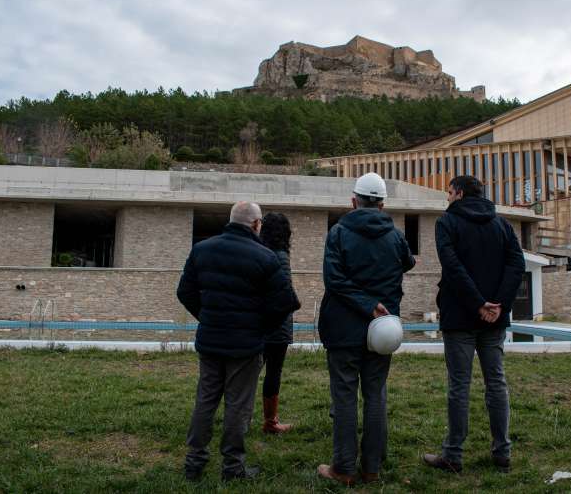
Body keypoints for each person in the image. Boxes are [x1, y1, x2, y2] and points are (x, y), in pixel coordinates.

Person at [177, 201, 300, 482]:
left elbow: (185, 292)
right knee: (237, 406)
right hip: (245, 345)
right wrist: (261, 328)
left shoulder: (202, 249)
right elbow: (286, 302)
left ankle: (194, 463)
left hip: (210, 340)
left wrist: (206, 317)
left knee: (205, 400)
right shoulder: (265, 256)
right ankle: (232, 468)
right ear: (256, 224)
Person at [317, 173, 415, 486]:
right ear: (382, 204)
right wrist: (376, 298)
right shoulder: (395, 236)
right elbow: (408, 262)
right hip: (381, 329)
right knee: (376, 395)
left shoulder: (338, 232)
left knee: (345, 397)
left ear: (353, 201)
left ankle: (344, 468)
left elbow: (334, 279)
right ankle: (371, 468)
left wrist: (365, 302)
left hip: (343, 327)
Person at [423, 175, 525, 474]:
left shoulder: (447, 223)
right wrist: (498, 304)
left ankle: (453, 455)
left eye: (448, 192)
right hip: (494, 318)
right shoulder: (502, 225)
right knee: (497, 383)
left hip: (459, 316)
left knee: (459, 386)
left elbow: (452, 267)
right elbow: (516, 265)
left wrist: (479, 303)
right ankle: (502, 452)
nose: (447, 198)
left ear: (459, 193)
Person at [258, 212, 295, 434]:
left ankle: (240, 418)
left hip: (258, 323)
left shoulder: (258, 253)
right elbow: (286, 294)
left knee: (250, 372)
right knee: (273, 372)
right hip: (277, 325)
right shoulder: (280, 256)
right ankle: (270, 422)